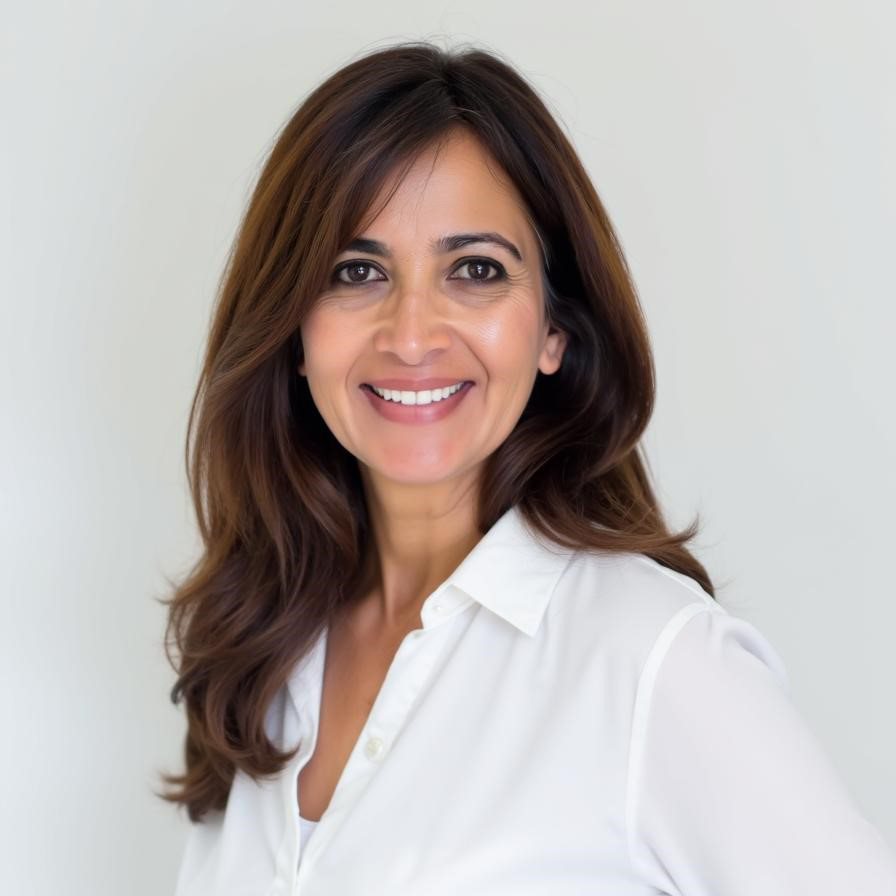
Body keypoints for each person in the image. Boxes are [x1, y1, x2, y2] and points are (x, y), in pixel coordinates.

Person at [160, 40, 896, 895]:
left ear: (554, 329)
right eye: (356, 272)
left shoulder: (651, 659)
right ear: (293, 329)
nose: (411, 335)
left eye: (475, 270)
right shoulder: (260, 652)